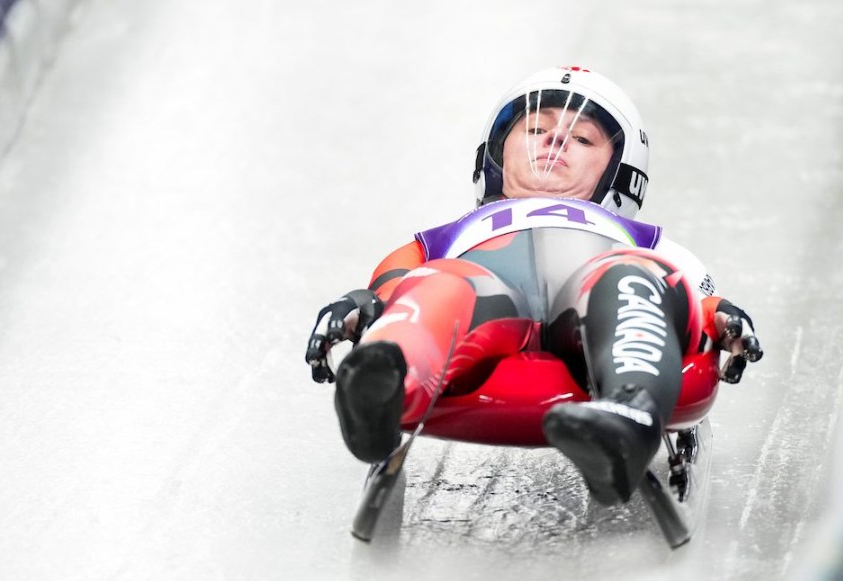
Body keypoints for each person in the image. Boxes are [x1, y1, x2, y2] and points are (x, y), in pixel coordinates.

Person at [305, 66, 762, 506]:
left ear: (619, 173)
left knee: (631, 277)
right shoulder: (448, 236)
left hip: (594, 300)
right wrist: (359, 307)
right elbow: (393, 283)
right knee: (440, 283)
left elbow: (696, 300)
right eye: (534, 130)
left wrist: (722, 315)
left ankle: (629, 416)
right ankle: (386, 384)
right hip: (489, 303)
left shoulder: (646, 242)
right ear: (498, 152)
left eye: (581, 138)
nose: (555, 140)